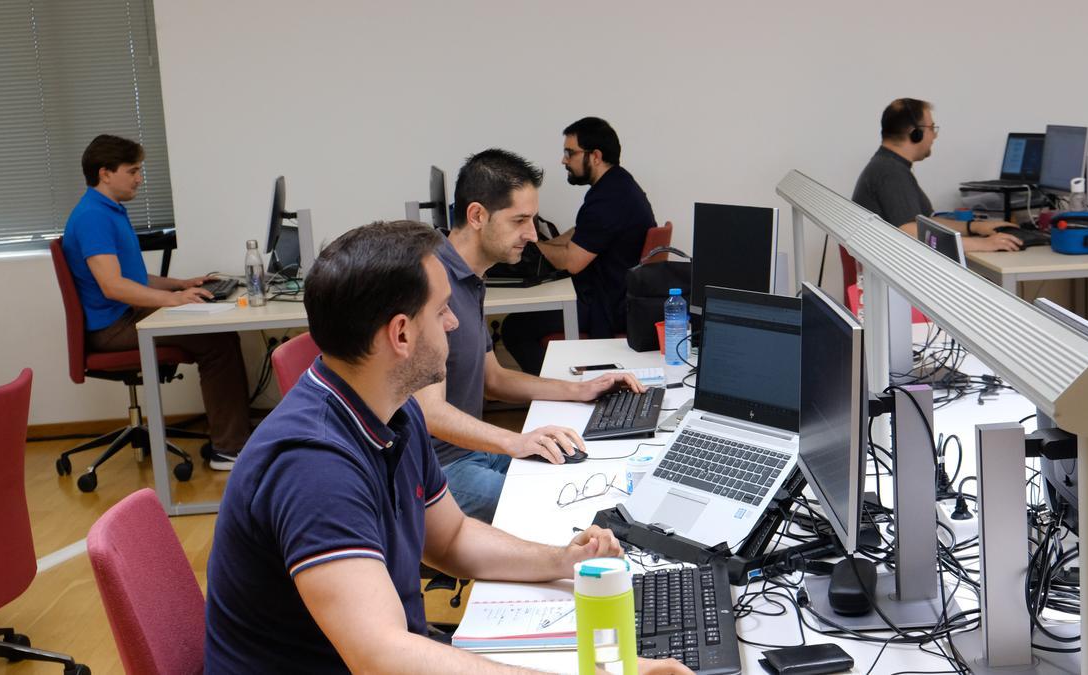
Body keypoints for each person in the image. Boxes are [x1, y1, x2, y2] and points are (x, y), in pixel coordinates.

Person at [204, 220, 690, 675]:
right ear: (400, 334)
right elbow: (380, 657)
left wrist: (560, 561)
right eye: (441, 310)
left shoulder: (394, 409)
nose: (455, 323)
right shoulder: (314, 465)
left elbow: (452, 538)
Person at [417, 149, 644, 523]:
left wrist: (581, 389)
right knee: (571, 509)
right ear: (477, 216)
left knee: (593, 476)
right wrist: (514, 440)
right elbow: (429, 411)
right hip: (438, 471)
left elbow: (494, 379)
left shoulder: (470, 278)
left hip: (470, 451)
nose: (532, 234)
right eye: (520, 220)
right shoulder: (433, 283)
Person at [61, 134, 250, 469]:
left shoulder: (110, 210)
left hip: (127, 316)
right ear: (105, 173)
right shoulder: (92, 217)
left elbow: (131, 278)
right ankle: (230, 448)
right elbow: (113, 286)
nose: (139, 178)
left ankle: (231, 440)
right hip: (112, 328)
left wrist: (180, 284)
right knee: (218, 342)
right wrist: (173, 300)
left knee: (217, 335)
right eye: (132, 171)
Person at [502, 117, 657, 374]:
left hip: (609, 305)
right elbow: (581, 232)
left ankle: (557, 391)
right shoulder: (616, 185)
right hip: (616, 293)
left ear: (595, 156)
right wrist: (544, 243)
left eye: (570, 153)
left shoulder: (609, 199)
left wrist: (532, 244)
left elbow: (573, 262)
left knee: (514, 328)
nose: (564, 160)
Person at [852, 98, 1022, 253]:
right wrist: (984, 244)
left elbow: (925, 224)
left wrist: (974, 227)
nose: (934, 135)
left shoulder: (889, 164)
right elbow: (909, 231)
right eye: (932, 128)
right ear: (915, 133)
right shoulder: (890, 172)